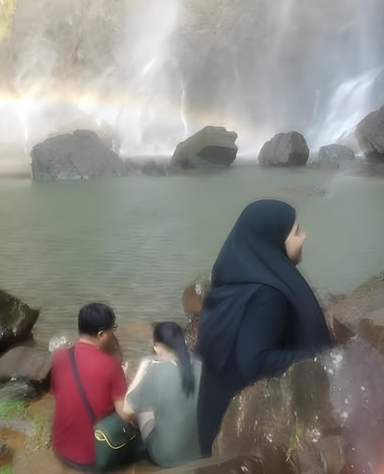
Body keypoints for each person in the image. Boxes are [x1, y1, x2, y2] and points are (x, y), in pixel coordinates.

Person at [195, 199, 332, 456]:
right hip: (240, 434)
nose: (304, 235)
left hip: (213, 418)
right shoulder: (267, 295)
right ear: (274, 240)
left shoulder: (231, 281)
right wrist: (322, 357)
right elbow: (255, 363)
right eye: (296, 231)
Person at [51, 302, 131, 471]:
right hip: (94, 458)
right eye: (112, 329)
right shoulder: (111, 365)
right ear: (101, 334)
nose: (113, 333)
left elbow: (59, 394)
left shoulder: (58, 357)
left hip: (60, 449)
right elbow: (125, 414)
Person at [123, 322, 202, 467]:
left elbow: (126, 410)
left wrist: (142, 368)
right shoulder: (201, 366)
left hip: (167, 457)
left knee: (142, 410)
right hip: (200, 453)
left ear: (156, 346)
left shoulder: (157, 371)